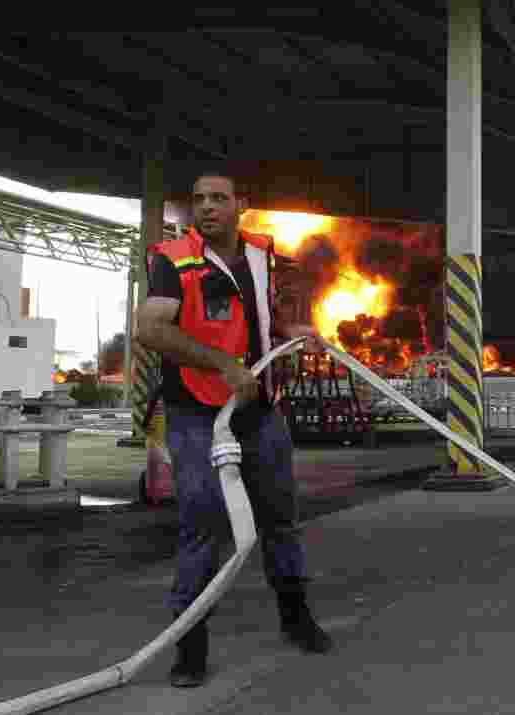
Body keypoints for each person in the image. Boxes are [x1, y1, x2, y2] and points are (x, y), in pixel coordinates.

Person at [136, 169, 333, 688]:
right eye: (199, 198)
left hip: (260, 412)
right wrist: (222, 364)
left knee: (280, 518)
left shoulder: (261, 255)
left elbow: (260, 317)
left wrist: (293, 331)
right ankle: (190, 646)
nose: (207, 206)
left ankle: (296, 617)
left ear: (240, 205)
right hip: (198, 414)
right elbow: (150, 328)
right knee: (202, 525)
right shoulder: (174, 260)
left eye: (218, 198)